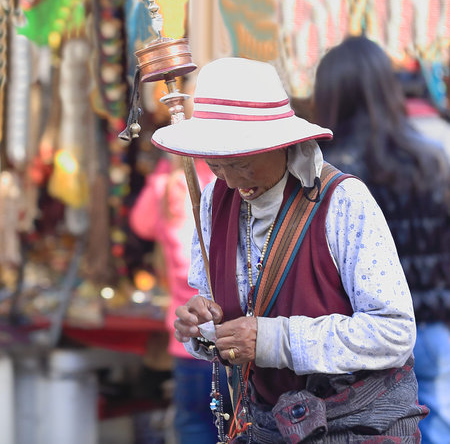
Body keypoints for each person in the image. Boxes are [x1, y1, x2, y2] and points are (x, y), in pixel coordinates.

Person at [151, 56, 428, 443]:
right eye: (216, 166)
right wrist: (200, 327)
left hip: (355, 423)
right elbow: (215, 307)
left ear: (279, 144)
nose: (231, 181)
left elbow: (394, 332)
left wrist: (271, 340)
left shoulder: (343, 200)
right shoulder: (215, 200)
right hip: (267, 423)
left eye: (242, 164)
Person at [313, 36, 450, 444]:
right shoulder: (429, 158)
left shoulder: (329, 173)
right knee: (440, 424)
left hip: (365, 337)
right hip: (432, 325)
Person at [129, 154, 230, 443]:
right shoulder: (225, 179)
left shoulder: (170, 184)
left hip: (189, 339)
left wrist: (163, 169)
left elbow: (141, 223)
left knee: (195, 422)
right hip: (229, 331)